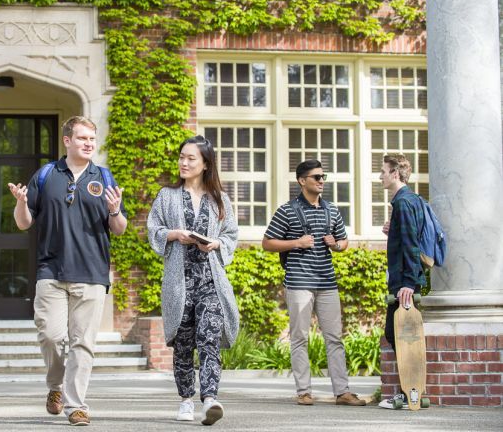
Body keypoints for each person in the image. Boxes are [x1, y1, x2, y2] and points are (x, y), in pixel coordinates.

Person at [7, 116, 127, 426]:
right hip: (51, 271)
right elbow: (24, 222)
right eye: (83, 138)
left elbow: (119, 228)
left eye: (92, 138)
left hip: (91, 273)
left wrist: (115, 211)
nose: (89, 143)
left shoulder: (103, 176)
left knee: (82, 342)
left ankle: (76, 405)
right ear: (67, 141)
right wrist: (21, 203)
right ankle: (55, 386)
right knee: (50, 335)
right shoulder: (47, 174)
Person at [147, 135, 239, 426]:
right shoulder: (167, 196)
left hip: (210, 281)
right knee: (184, 342)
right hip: (179, 282)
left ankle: (210, 398)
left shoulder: (220, 199)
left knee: (209, 337)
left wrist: (215, 244)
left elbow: (231, 235)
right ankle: (186, 399)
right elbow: (154, 230)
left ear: (205, 164)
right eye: (182, 157)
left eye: (191, 158)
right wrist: (175, 234)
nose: (183, 163)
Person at [262, 159, 366, 407]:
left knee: (335, 338)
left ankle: (342, 392)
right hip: (298, 283)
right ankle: (304, 392)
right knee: (299, 338)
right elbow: (267, 243)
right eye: (316, 177)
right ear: (302, 181)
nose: (321, 181)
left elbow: (343, 242)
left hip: (327, 282)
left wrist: (336, 245)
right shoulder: (287, 210)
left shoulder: (331, 210)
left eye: (323, 177)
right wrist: (296, 243)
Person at [378, 153, 426, 409]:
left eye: (383, 171)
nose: (380, 176)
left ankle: (409, 394)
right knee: (397, 334)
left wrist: (407, 283)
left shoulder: (404, 203)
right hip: (404, 279)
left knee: (400, 335)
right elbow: (407, 235)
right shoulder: (408, 201)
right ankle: (408, 393)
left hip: (404, 282)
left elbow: (411, 245)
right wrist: (392, 229)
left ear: (395, 173)